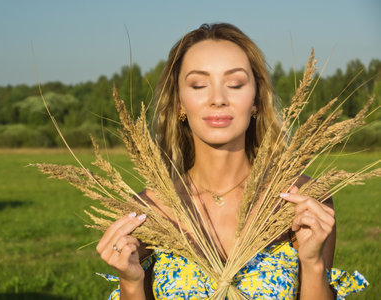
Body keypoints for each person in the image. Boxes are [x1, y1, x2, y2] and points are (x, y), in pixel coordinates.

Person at [96, 23, 368, 299]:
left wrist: (313, 264)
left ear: (256, 101)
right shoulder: (148, 212)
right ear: (179, 102)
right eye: (199, 84)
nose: (218, 99)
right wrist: (129, 282)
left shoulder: (302, 202)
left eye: (235, 84)